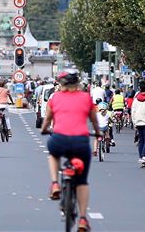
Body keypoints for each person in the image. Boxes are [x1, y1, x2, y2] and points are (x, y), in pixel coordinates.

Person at [40, 71, 99, 232]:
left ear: (62, 84)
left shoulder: (55, 98)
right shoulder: (86, 98)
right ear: (78, 84)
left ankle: (54, 184)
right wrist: (98, 133)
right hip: (80, 142)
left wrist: (44, 129)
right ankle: (82, 219)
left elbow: (47, 119)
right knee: (82, 181)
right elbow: (94, 119)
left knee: (53, 154)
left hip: (59, 139)